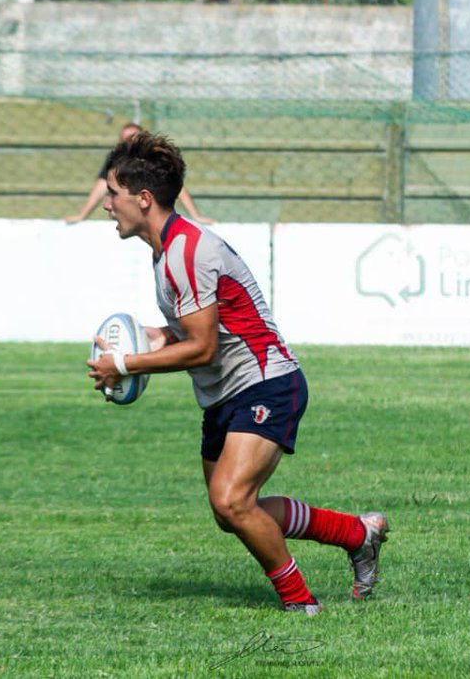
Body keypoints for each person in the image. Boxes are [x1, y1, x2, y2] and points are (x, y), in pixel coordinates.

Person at [86, 130, 387, 614]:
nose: (106, 205)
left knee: (232, 500)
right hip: (224, 395)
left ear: (143, 199)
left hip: (265, 381)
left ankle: (301, 604)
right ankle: (357, 533)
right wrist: (143, 338)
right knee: (233, 512)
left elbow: (202, 348)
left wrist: (124, 363)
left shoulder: (188, 250)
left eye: (113, 194)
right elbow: (191, 331)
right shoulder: (167, 250)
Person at [64, 123, 213, 225]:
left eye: (133, 136)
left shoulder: (152, 159)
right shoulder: (116, 160)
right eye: (125, 139)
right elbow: (102, 185)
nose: (129, 141)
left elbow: (175, 186)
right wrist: (82, 215)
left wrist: (195, 216)